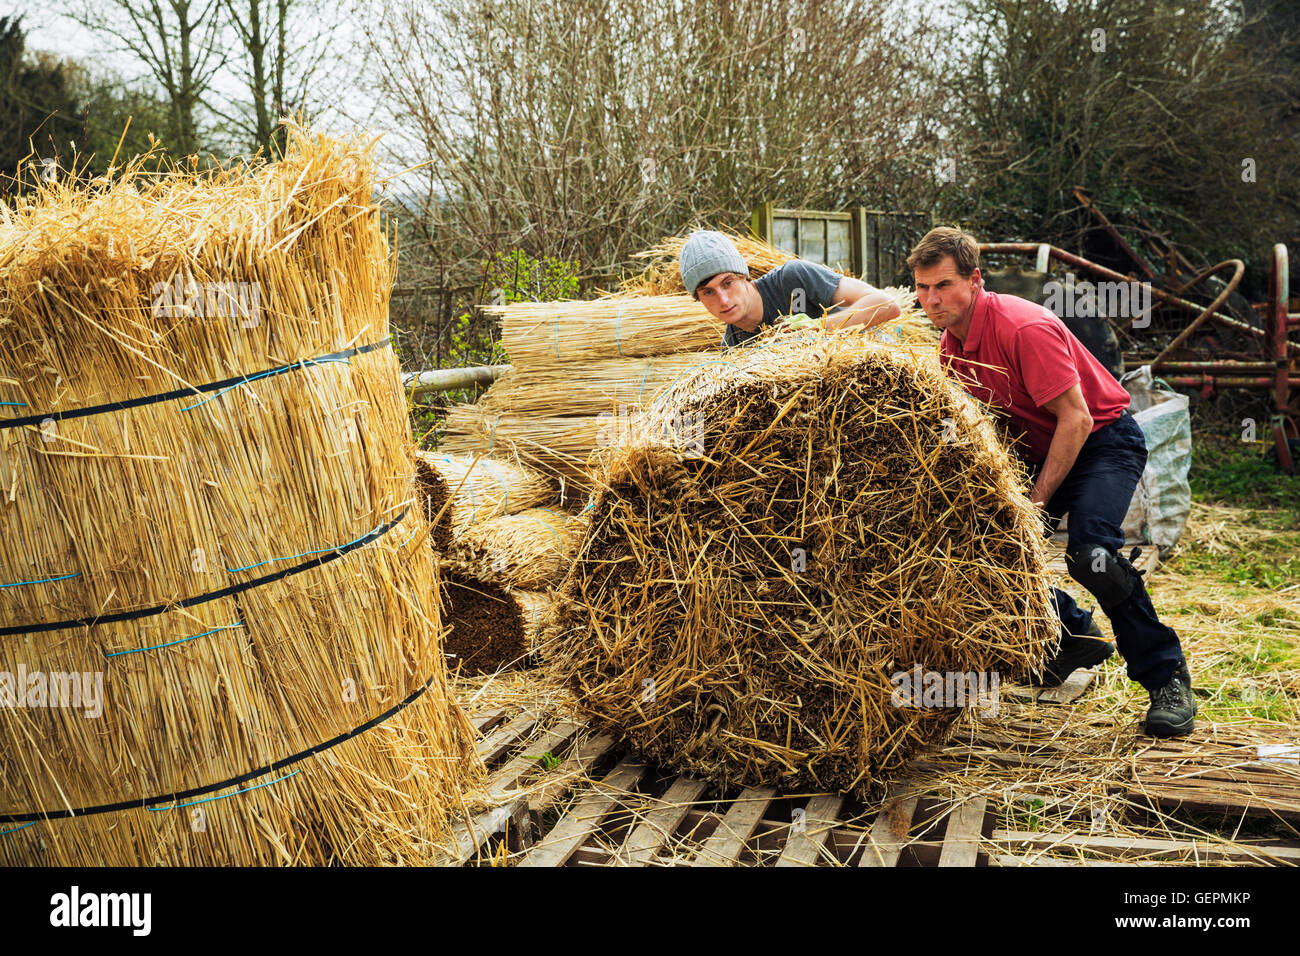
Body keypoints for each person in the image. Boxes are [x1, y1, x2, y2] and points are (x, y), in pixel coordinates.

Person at [907, 226, 1195, 738]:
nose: (931, 300)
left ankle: (1167, 676)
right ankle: (1070, 634)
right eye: (923, 287)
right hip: (1040, 447)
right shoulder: (951, 349)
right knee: (974, 540)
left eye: (944, 285)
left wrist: (1033, 505)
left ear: (975, 280)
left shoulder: (1022, 327)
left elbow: (1077, 420)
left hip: (1102, 441)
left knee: (1092, 556)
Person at [677, 230, 900, 347]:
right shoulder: (734, 347)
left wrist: (818, 326)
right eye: (708, 292)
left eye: (728, 283)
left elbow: (887, 305)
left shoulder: (792, 280)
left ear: (744, 276)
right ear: (699, 299)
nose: (723, 300)